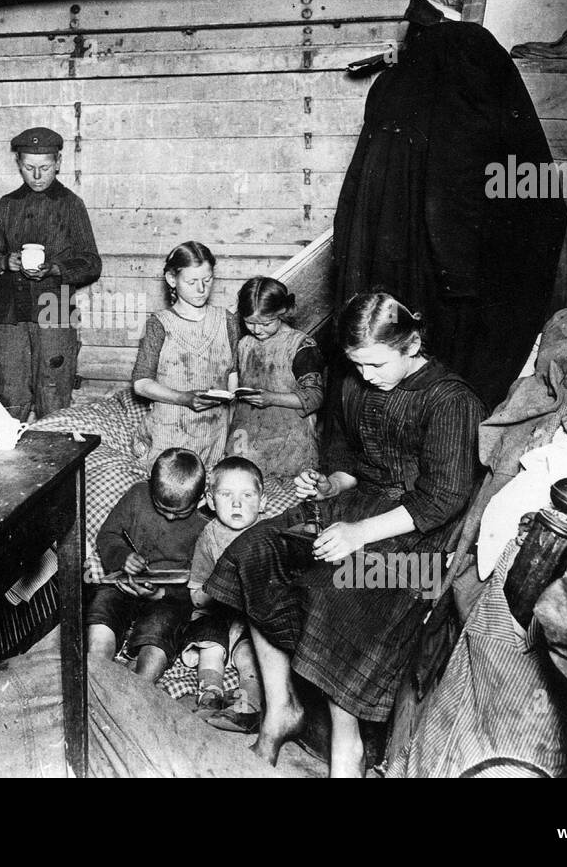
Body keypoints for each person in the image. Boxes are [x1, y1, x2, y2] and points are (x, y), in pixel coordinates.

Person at [204, 292, 485, 775]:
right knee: (255, 551)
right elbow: (357, 463)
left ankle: (346, 749)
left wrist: (358, 533)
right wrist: (332, 482)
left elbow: (443, 498)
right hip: (361, 505)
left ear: (411, 344)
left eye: (375, 363)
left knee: (341, 592)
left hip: (423, 542)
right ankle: (280, 711)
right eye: (357, 365)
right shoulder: (359, 384)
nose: (366, 376)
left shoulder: (451, 400)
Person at [0, 126, 102, 421]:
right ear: (18, 164)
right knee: (8, 391)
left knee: (54, 390)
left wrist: (57, 268)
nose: (37, 176)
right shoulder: (6, 206)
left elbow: (92, 263)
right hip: (10, 311)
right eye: (29, 168)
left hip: (56, 307)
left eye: (44, 168)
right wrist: (3, 262)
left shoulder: (72, 205)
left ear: (58, 163)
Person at [86, 448, 209, 683]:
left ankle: (141, 687)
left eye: (181, 512)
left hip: (167, 599)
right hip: (123, 585)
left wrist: (163, 593)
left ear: (201, 498)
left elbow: (199, 583)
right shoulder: (137, 495)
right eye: (162, 509)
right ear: (150, 485)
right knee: (102, 608)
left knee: (160, 633)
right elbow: (108, 534)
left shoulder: (204, 526)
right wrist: (123, 556)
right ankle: (96, 675)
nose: (170, 518)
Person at [131, 241, 241, 470]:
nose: (201, 289)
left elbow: (232, 376)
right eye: (191, 282)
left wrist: (231, 426)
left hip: (214, 435)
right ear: (172, 280)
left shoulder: (227, 320)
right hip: (170, 432)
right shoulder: (159, 324)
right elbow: (141, 384)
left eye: (207, 280)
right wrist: (184, 398)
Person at [181, 456, 265, 733]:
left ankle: (245, 705)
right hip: (216, 613)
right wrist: (218, 595)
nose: (237, 503)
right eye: (226, 495)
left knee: (251, 658)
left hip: (251, 619)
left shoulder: (268, 534)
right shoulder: (209, 536)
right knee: (211, 649)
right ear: (211, 501)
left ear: (262, 502)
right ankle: (210, 694)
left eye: (247, 495)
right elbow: (196, 590)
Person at [227, 276, 324, 478]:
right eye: (249, 322)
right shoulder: (244, 344)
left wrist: (271, 398)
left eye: (266, 323)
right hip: (248, 437)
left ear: (282, 312)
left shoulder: (300, 345)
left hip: (290, 444)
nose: (257, 329)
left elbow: (315, 397)